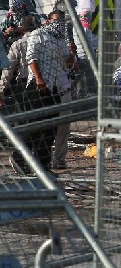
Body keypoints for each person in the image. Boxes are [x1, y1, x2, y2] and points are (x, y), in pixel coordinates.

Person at [10, 10, 74, 175]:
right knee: (32, 126)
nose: (59, 24)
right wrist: (39, 78)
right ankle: (19, 159)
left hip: (55, 88)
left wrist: (72, 52)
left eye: (62, 21)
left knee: (50, 129)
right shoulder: (38, 34)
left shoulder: (61, 39)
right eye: (56, 20)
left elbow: (68, 64)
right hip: (37, 87)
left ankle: (42, 165)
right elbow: (32, 58)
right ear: (48, 20)